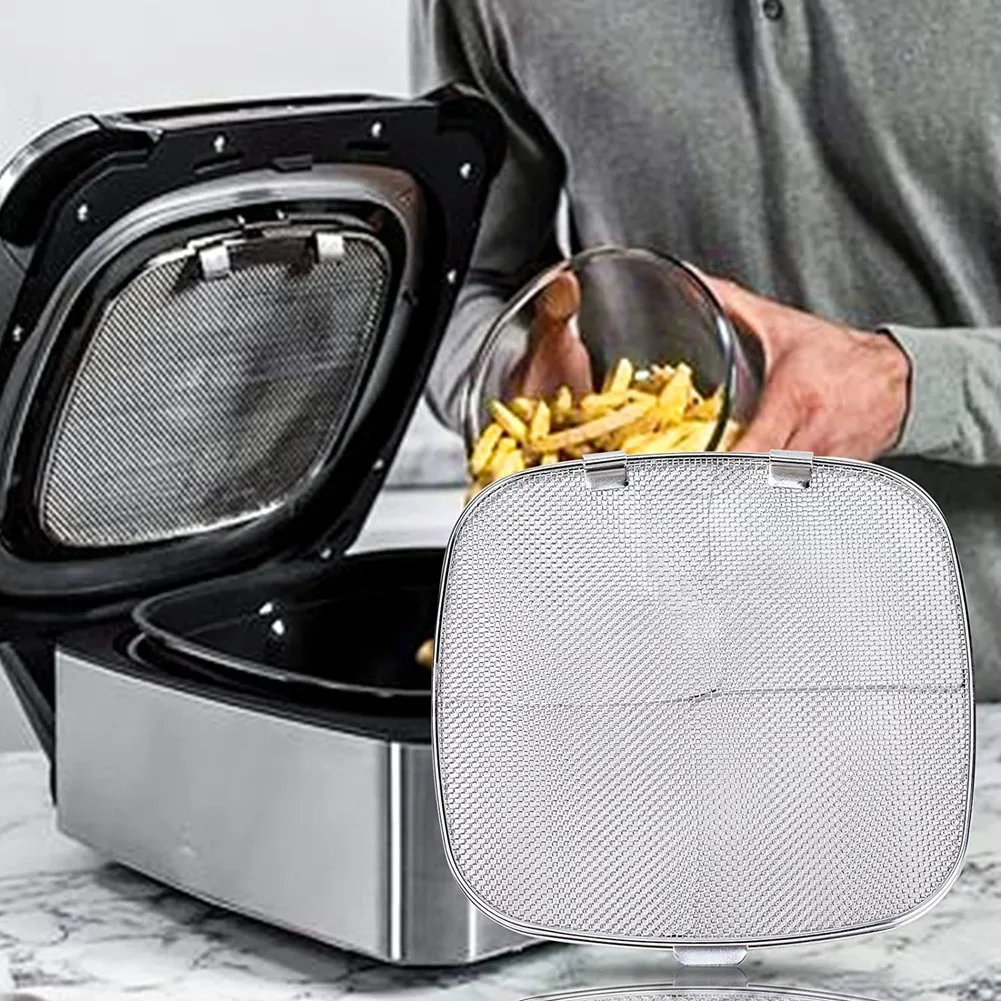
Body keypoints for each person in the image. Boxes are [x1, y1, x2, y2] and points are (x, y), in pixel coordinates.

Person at [410, 0, 1001, 700]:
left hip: (980, 682)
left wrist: (909, 384)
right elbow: (461, 279)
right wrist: (514, 376)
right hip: (656, 684)